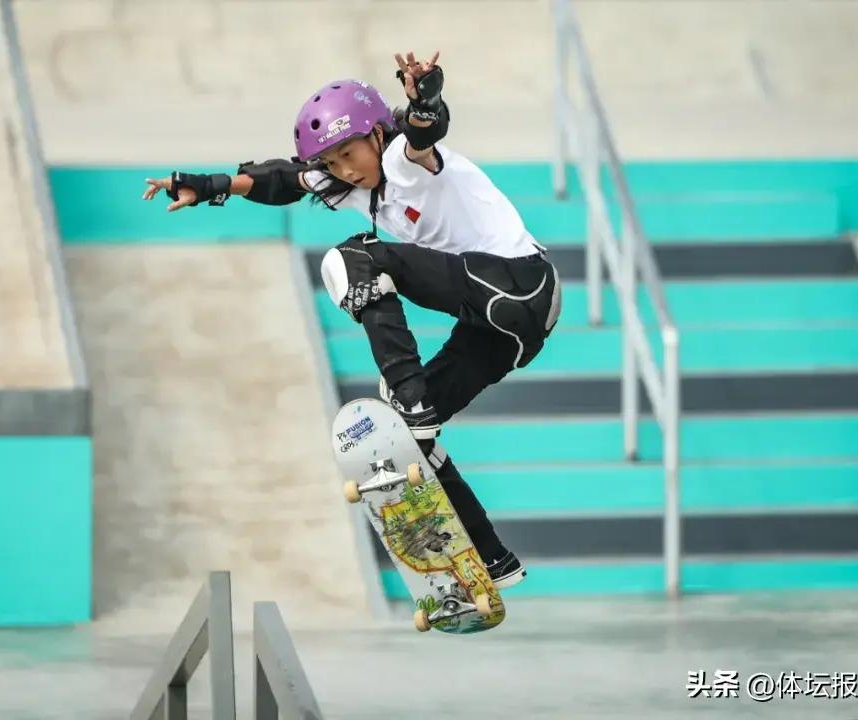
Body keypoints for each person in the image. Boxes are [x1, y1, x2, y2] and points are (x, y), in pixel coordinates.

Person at [143, 51, 561, 589]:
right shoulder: (352, 187)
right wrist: (209, 186)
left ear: (377, 134)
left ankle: (412, 399)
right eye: (334, 163)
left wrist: (424, 100)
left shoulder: (403, 161)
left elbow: (423, 132)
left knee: (353, 261)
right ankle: (492, 559)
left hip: (519, 285)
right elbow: (283, 179)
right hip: (504, 328)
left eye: (350, 153)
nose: (346, 170)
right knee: (402, 437)